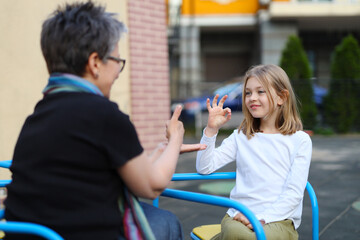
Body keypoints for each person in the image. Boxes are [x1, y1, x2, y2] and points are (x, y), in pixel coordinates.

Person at [4, 2, 205, 240]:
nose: (118, 72)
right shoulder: (104, 115)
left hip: (32, 234)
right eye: (117, 62)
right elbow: (151, 186)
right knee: (166, 221)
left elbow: (111, 173)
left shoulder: (37, 118)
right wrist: (175, 138)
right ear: (95, 63)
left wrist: (163, 150)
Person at [196, 64, 312, 240]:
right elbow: (204, 167)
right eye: (248, 93)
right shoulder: (241, 136)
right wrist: (211, 131)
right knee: (236, 233)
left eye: (260, 92)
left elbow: (293, 194)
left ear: (281, 97)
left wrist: (259, 218)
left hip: (279, 220)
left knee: (256, 237)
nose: (252, 98)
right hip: (239, 216)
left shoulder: (300, 140)